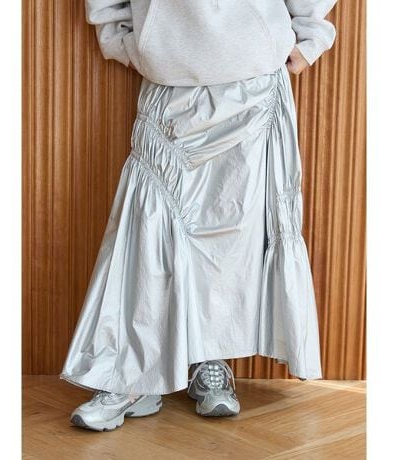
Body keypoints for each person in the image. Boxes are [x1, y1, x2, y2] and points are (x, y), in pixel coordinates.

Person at [60, 0, 338, 431]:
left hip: (253, 77)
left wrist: (311, 35)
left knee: (235, 238)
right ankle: (131, 375)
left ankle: (212, 360)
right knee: (147, 230)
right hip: (168, 70)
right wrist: (119, 36)